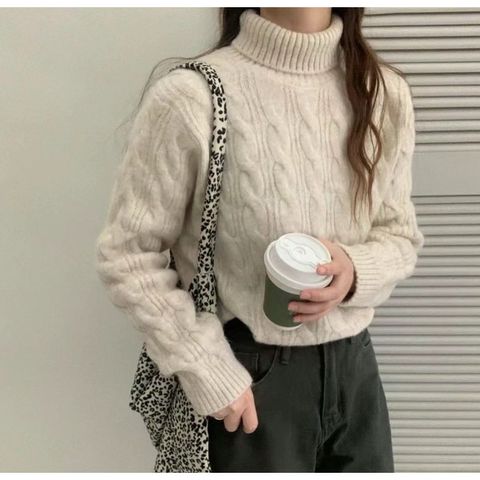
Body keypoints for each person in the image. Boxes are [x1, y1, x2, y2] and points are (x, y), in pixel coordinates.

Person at [94, 7, 425, 473]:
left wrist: (354, 271)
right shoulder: (191, 96)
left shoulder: (381, 92)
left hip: (357, 371)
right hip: (250, 379)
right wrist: (205, 367)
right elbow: (128, 254)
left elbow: (400, 235)